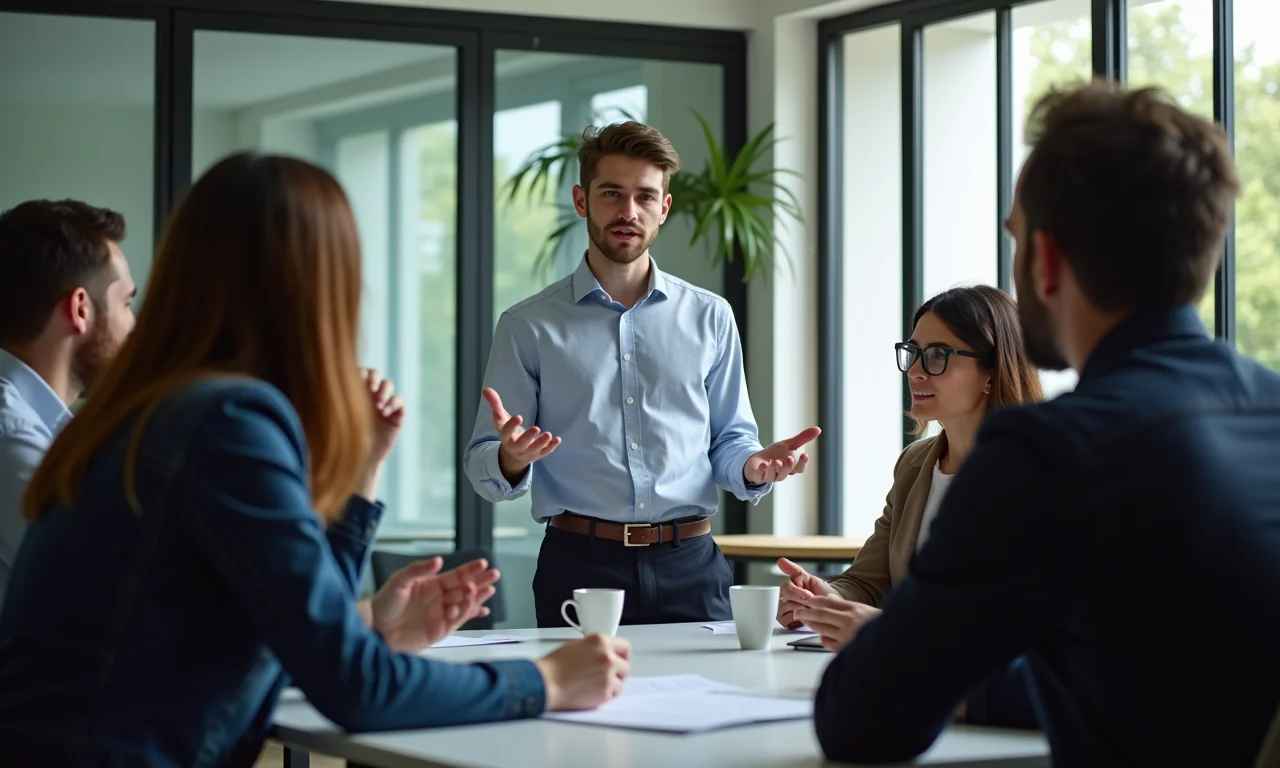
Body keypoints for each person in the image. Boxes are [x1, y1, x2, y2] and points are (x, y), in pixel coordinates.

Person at [0, 152, 630, 766]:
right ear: (317, 285)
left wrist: (364, 502)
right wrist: (546, 679)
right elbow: (355, 690)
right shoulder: (225, 420)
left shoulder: (147, 411)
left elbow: (291, 632)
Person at [814, 81, 1280, 767]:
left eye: (1017, 237)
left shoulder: (1050, 453)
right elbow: (1155, 672)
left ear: (1049, 260)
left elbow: (862, 721)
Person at [465, 121, 820, 628]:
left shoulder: (710, 316)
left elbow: (731, 440)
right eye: (612, 193)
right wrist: (511, 458)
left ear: (664, 208)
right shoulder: (528, 326)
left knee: (706, 705)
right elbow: (483, 465)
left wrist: (752, 466)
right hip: (580, 566)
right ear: (582, 200)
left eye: (644, 197)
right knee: (581, 706)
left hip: (691, 564)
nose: (628, 211)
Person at [777, 285, 1043, 650]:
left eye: (938, 356)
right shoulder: (915, 464)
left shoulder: (1035, 472)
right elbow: (871, 582)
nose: (915, 371)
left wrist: (894, 629)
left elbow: (1019, 616)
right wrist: (824, 600)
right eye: (913, 353)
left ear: (992, 372)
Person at [0, 200, 137, 603]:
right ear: (80, 309)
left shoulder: (39, 429)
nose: (135, 326)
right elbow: (111, 584)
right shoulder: (11, 437)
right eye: (126, 304)